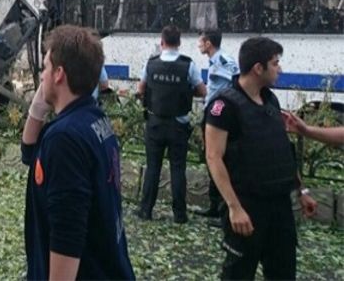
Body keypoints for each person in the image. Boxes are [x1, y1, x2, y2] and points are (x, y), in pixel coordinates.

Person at [21, 25, 134, 280]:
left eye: (46, 67)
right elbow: (29, 153)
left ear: (59, 74)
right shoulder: (93, 120)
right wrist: (39, 106)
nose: (42, 76)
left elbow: (67, 237)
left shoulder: (65, 139)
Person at [205, 37, 317, 280]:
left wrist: (302, 190)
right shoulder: (224, 106)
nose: (280, 69)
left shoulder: (270, 100)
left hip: (279, 208)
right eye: (275, 63)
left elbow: (281, 149)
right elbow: (214, 157)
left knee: (283, 272)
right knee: (238, 273)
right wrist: (235, 208)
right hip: (247, 206)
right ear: (258, 68)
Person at [136, 25, 207, 223]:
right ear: (180, 42)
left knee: (152, 168)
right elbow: (202, 91)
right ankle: (180, 215)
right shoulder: (188, 65)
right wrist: (183, 92)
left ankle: (146, 211)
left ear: (162, 41)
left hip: (155, 123)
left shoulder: (151, 64)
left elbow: (141, 89)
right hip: (179, 125)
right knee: (178, 169)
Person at [197, 29, 240, 226]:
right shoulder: (215, 60)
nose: (199, 45)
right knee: (211, 160)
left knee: (219, 160)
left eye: (201, 41)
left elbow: (233, 85)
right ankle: (215, 207)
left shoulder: (223, 61)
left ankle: (224, 211)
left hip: (219, 115)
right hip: (213, 113)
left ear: (209, 44)